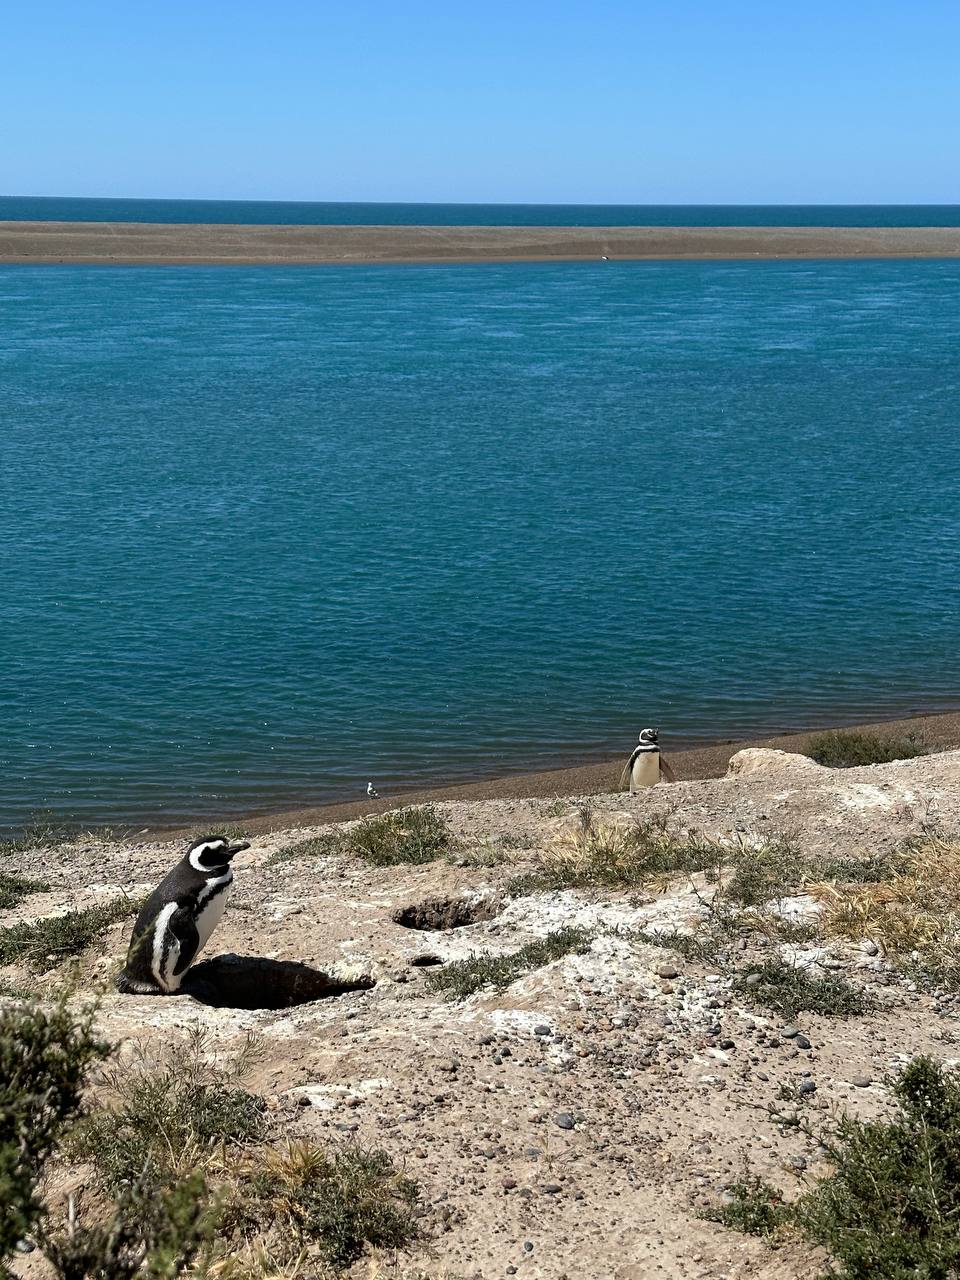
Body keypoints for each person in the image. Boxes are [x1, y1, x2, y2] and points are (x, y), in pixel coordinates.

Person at [619, 728, 676, 792]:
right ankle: (635, 790)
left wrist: (672, 780)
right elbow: (626, 768)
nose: (652, 733)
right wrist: (622, 783)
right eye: (649, 732)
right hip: (635, 790)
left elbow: (665, 767)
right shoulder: (638, 750)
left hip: (654, 790)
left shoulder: (655, 750)